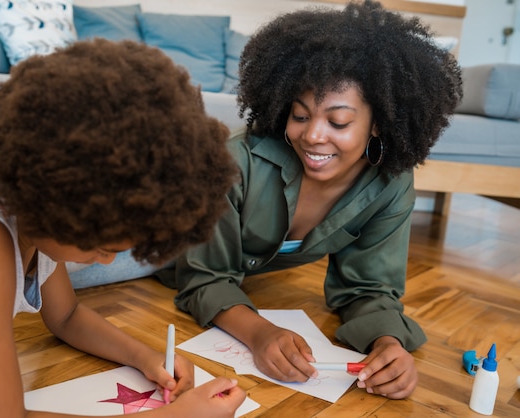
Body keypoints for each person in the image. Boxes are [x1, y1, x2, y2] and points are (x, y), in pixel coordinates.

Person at [0, 39, 245, 417]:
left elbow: (66, 316)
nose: (108, 262)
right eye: (100, 247)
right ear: (60, 208)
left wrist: (147, 357)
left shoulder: (36, 218)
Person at [159, 0, 462, 400]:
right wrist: (259, 331)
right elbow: (205, 276)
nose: (313, 135)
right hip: (137, 246)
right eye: (300, 116)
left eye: (338, 122)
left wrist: (387, 343)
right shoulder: (237, 163)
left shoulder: (389, 185)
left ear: (379, 124)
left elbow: (368, 288)